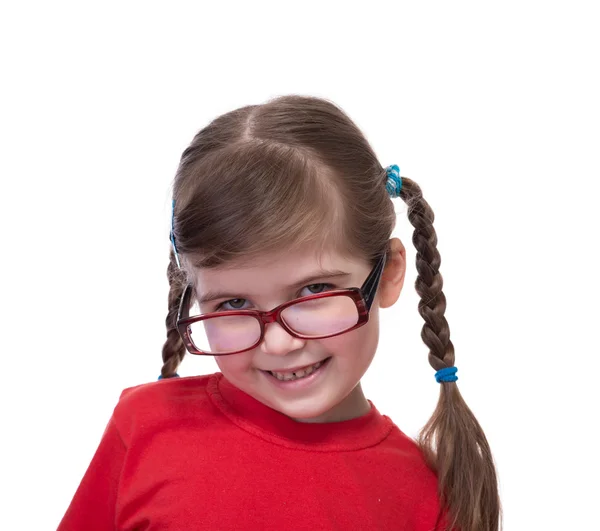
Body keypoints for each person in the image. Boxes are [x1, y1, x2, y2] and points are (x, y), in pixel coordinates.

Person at [58, 95, 501, 531]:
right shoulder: (142, 427)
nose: (279, 342)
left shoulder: (427, 500)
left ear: (388, 274)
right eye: (233, 303)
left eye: (314, 289)